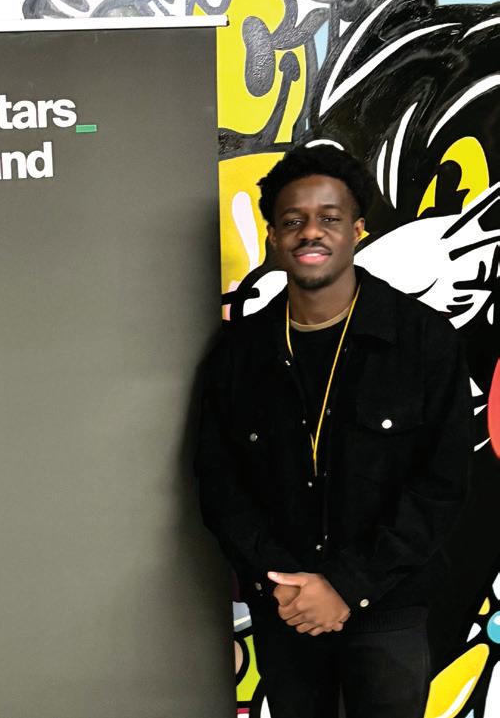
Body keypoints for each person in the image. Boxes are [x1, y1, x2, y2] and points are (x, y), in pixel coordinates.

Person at [196, 144, 470, 718]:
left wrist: (346, 585)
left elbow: (442, 484)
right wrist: (282, 584)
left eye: (329, 218)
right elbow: (221, 486)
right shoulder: (238, 355)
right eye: (293, 221)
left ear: (358, 230)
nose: (310, 233)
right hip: (287, 610)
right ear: (273, 237)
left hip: (388, 609)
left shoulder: (424, 341)